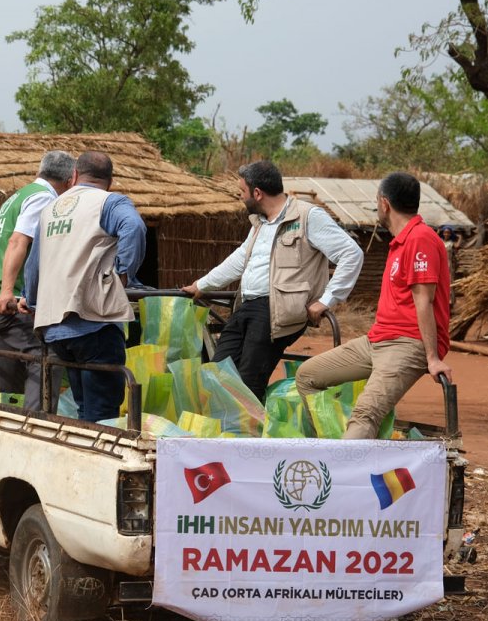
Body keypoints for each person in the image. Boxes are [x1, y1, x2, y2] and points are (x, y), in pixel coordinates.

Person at [181, 160, 363, 402]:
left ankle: (250, 426)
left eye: (242, 191)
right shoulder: (259, 223)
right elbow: (240, 259)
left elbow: (351, 254)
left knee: (249, 381)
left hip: (277, 310)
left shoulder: (307, 216)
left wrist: (326, 300)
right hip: (246, 305)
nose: (240, 196)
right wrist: (202, 285)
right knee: (217, 372)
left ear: (257, 193)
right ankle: (224, 424)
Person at [295, 172, 453, 439]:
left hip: (407, 343)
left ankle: (343, 463)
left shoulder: (420, 238)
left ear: (384, 203)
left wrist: (432, 358)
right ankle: (327, 449)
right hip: (377, 340)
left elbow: (424, 301)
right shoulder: (400, 241)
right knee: (306, 376)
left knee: (366, 413)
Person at [19, 151, 146, 423]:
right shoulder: (110, 202)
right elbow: (134, 227)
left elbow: (34, 263)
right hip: (94, 325)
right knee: (102, 416)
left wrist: (30, 299)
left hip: (56, 331)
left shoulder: (51, 209)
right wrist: (122, 276)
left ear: (75, 175)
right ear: (110, 181)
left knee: (84, 410)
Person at [0, 150, 75, 410]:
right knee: (47, 356)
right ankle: (36, 422)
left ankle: (0, 418)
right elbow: (17, 241)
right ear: (71, 180)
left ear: (39, 171)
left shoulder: (17, 197)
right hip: (14, 301)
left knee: (5, 371)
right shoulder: (44, 198)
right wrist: (7, 291)